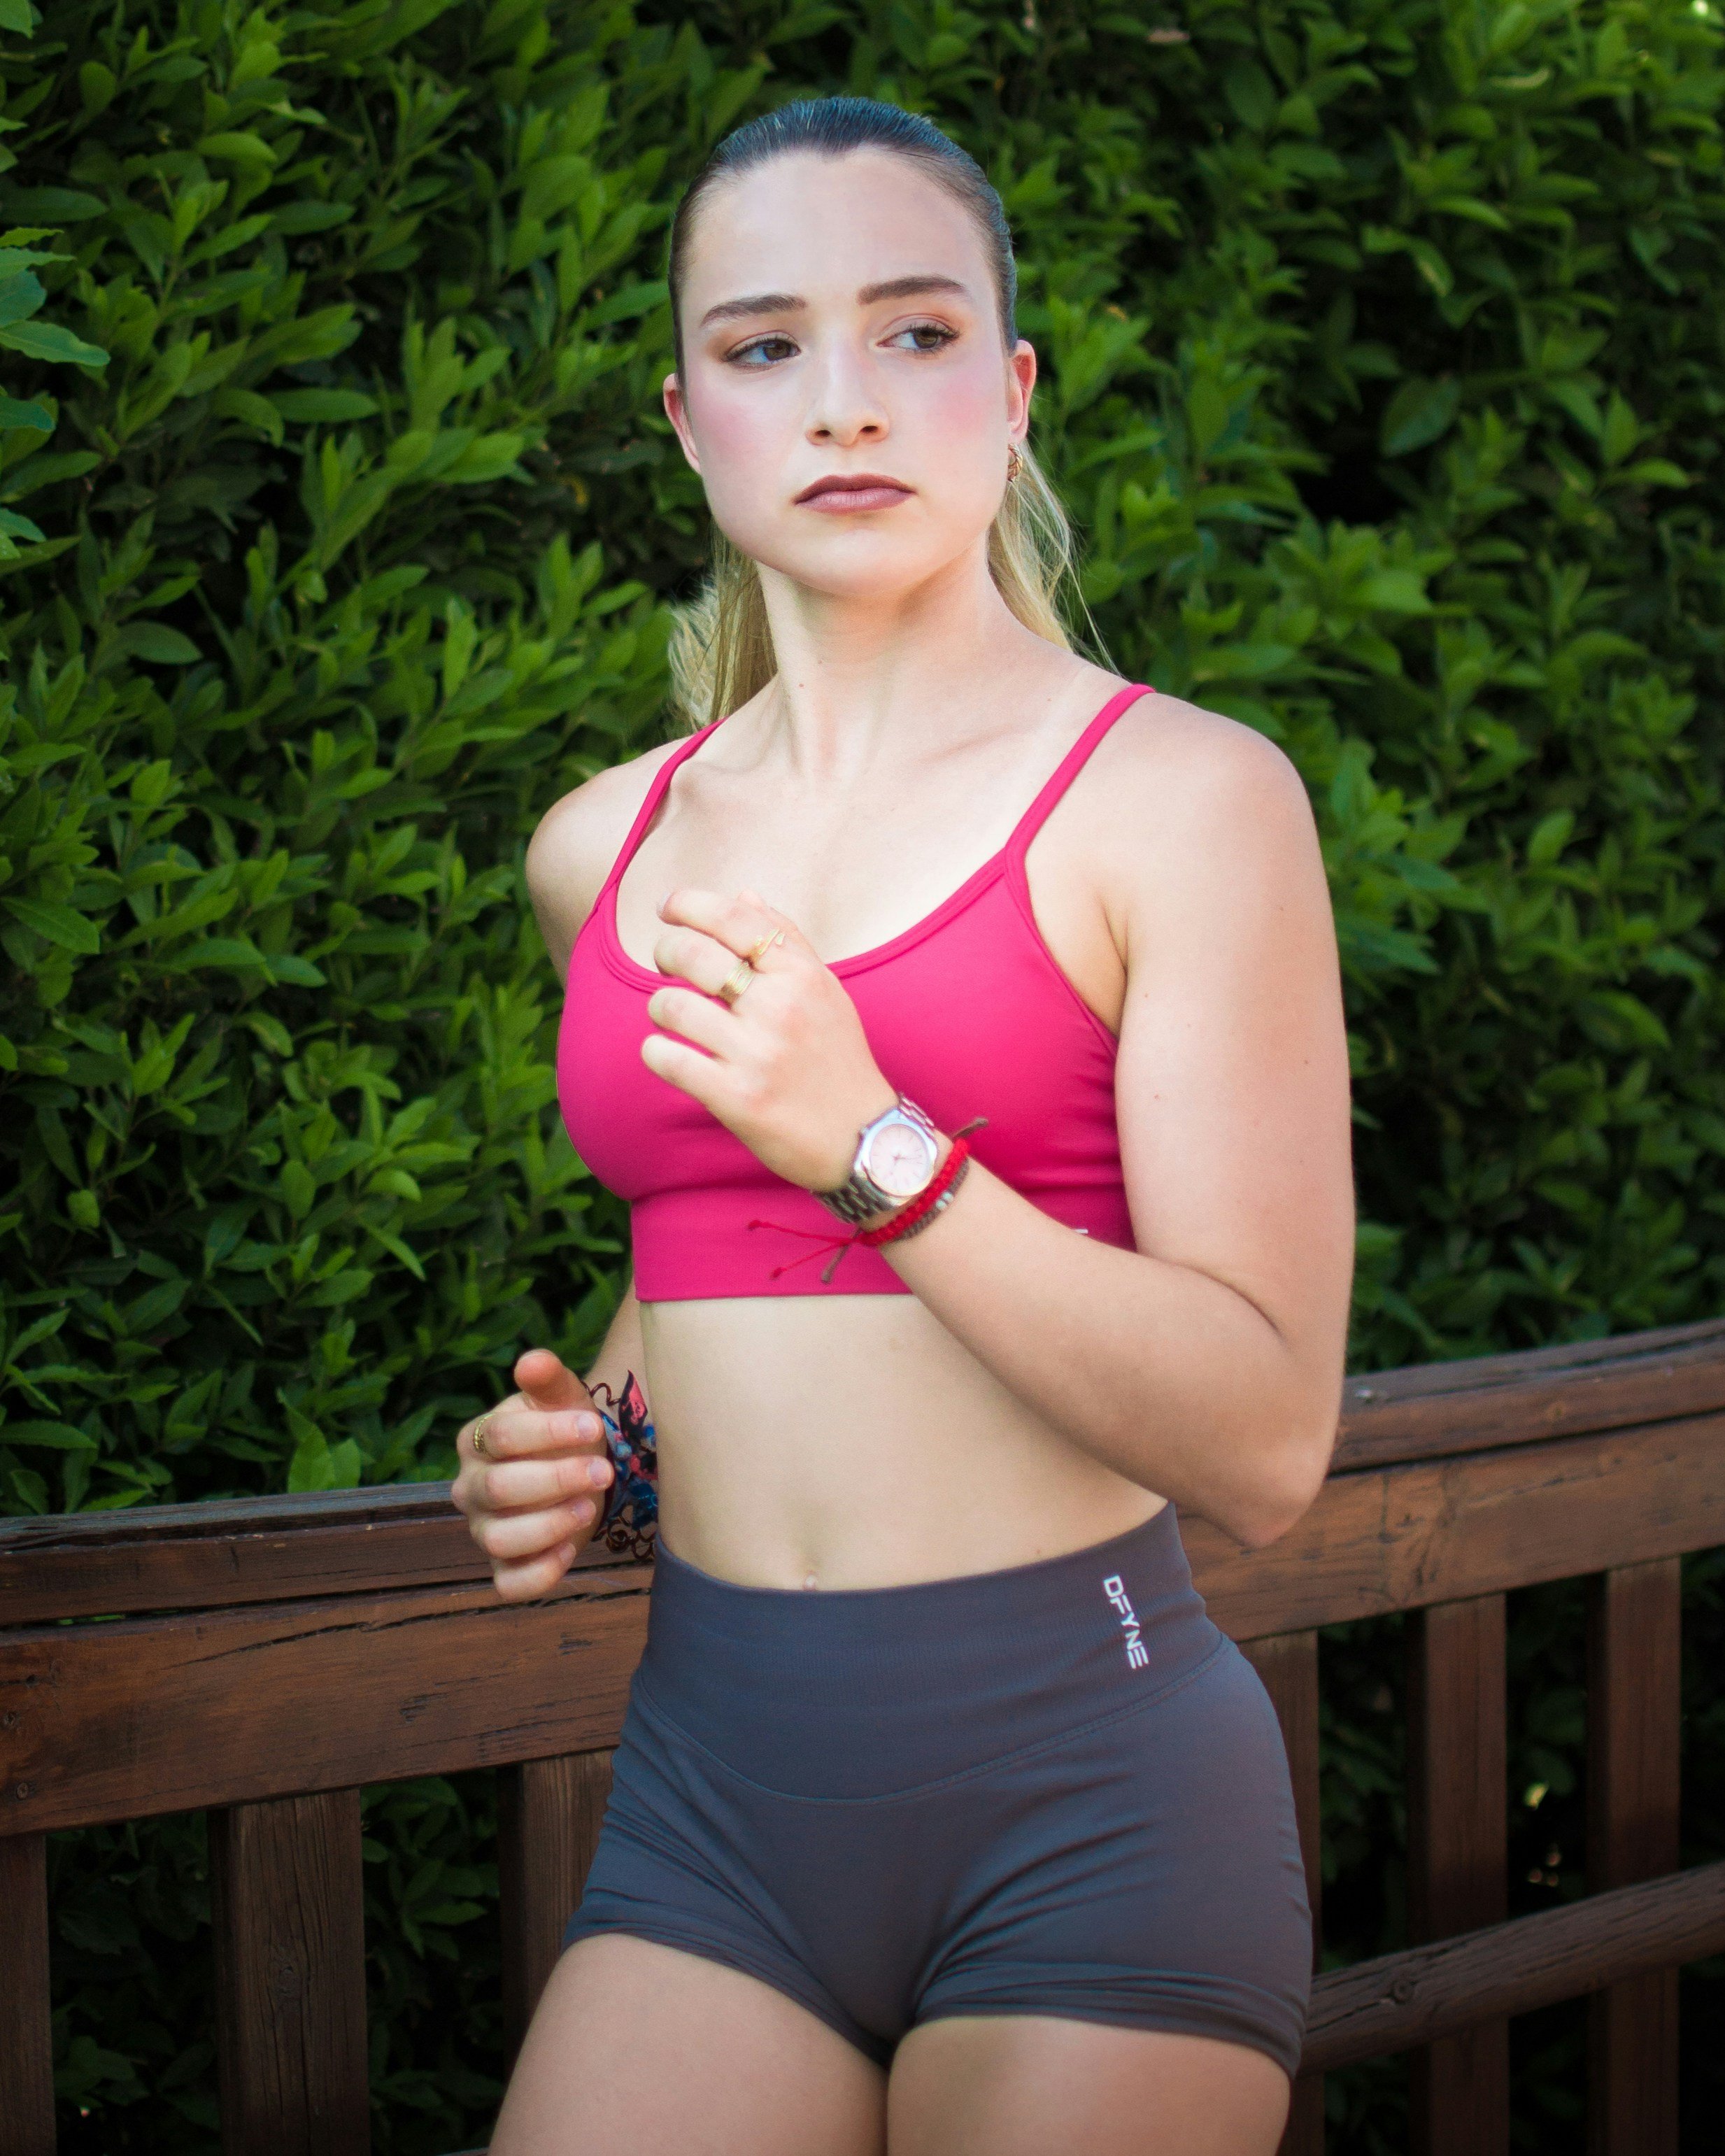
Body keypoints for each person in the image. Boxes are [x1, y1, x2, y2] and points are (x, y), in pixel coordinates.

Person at [450, 93, 1354, 2156]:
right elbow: (699, 1269)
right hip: (712, 1809)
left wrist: (869, 1131)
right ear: (686, 420)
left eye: (916, 332)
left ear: (1012, 390)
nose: (842, 401)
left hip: (1086, 1799)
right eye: (766, 347)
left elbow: (1265, 1434)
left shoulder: (1185, 803)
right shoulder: (608, 848)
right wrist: (587, 1451)